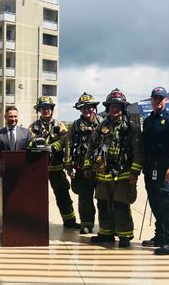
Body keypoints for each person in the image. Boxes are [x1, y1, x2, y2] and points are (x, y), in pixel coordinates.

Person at [84, 88, 143, 248]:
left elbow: (138, 152)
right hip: (102, 174)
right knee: (103, 204)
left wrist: (134, 172)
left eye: (117, 107)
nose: (114, 109)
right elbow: (92, 147)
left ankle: (124, 236)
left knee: (120, 205)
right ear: (107, 107)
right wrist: (88, 166)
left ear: (123, 109)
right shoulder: (101, 126)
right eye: (111, 106)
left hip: (123, 174)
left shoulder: (131, 128)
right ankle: (106, 233)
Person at [142, 86, 169, 255]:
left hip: (165, 168)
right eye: (155, 98)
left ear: (165, 100)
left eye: (161, 98)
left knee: (167, 203)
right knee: (154, 201)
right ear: (151, 99)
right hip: (150, 168)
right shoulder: (148, 121)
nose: (157, 101)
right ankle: (160, 236)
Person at [28, 96, 80, 229]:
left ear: (51, 110)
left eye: (48, 108)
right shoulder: (33, 127)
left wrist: (54, 146)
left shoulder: (59, 125)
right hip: (39, 168)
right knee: (37, 197)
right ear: (39, 110)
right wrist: (41, 146)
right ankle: (36, 221)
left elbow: (65, 138)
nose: (46, 111)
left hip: (56, 167)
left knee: (63, 195)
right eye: (43, 108)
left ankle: (69, 221)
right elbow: (30, 141)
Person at [64, 93, 102, 234]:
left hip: (100, 169)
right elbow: (68, 145)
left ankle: (107, 227)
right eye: (84, 108)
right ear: (80, 109)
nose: (87, 110)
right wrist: (68, 166)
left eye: (90, 107)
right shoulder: (75, 125)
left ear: (94, 108)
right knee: (85, 197)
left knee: (103, 198)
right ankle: (86, 224)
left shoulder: (103, 123)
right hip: (81, 168)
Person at [0, 106, 29, 235]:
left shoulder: (26, 133)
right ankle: (3, 226)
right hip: (4, 173)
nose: (13, 119)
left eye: (15, 116)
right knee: (5, 199)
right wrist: (6, 161)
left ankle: (20, 225)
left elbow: (30, 149)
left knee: (21, 200)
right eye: (10, 116)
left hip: (21, 174)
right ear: (5, 117)